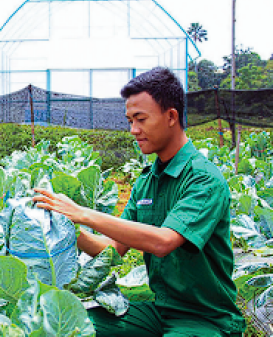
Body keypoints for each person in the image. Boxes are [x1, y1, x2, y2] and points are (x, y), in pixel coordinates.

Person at [33, 67, 245, 336]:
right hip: (160, 312)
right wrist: (66, 226)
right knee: (70, 325)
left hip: (206, 320)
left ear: (171, 116)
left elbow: (163, 242)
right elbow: (112, 249)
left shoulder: (203, 178)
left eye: (141, 119)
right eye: (130, 120)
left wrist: (81, 213)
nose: (133, 130)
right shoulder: (147, 180)